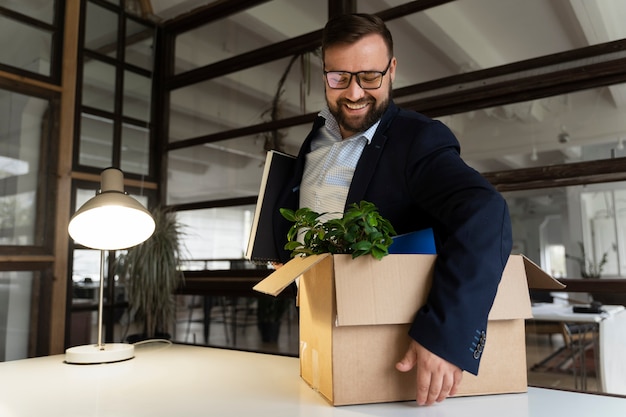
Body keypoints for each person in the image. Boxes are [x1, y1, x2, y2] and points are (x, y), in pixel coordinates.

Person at [271, 13, 512, 406]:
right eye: (339, 77)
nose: (353, 93)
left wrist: (446, 335)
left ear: (392, 70)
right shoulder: (315, 140)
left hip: (395, 358)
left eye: (369, 77)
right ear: (324, 74)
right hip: (316, 333)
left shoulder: (418, 140)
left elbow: (486, 212)